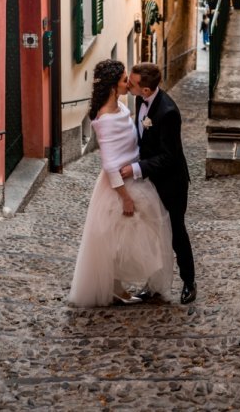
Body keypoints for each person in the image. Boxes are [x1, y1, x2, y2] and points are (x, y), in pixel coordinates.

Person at [69, 59, 174, 308]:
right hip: (119, 188)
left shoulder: (122, 105)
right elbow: (109, 164)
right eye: (124, 79)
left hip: (135, 178)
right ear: (113, 86)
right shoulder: (105, 119)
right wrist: (125, 197)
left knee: (142, 237)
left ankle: (133, 286)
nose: (128, 83)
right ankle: (115, 288)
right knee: (117, 242)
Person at [121, 62, 197, 305]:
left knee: (175, 233)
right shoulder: (139, 101)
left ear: (145, 90)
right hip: (149, 183)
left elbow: (169, 157)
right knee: (152, 234)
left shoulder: (168, 112)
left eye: (131, 83)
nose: (127, 85)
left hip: (171, 184)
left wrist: (136, 168)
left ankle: (189, 282)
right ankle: (153, 285)